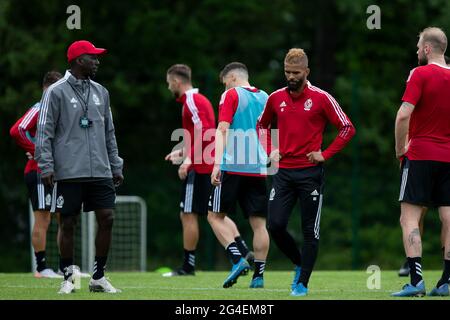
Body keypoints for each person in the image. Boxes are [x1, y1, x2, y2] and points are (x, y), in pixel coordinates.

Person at [257, 48, 355, 296]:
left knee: (310, 230)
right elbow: (262, 125)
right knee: (275, 225)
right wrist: (270, 149)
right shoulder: (276, 98)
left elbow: (346, 128)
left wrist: (325, 154)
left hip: (310, 173)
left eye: (296, 72)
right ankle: (300, 263)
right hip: (283, 173)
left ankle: (302, 282)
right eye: (287, 72)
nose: (291, 76)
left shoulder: (321, 98)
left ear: (306, 72)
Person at [35, 40, 124, 294]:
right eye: (92, 57)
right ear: (77, 61)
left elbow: (109, 132)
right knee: (68, 223)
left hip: (100, 169)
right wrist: (46, 165)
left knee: (107, 217)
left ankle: (98, 277)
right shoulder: (55, 91)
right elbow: (44, 132)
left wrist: (115, 164)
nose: (97, 61)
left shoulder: (101, 91)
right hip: (68, 170)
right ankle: (68, 277)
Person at [164, 64, 253, 277]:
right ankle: (243, 252)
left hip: (201, 166)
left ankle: (188, 266)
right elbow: (199, 134)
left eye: (169, 83)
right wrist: (182, 151)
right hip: (206, 162)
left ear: (176, 81)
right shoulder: (197, 100)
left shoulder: (192, 101)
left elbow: (204, 131)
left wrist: (188, 160)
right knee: (215, 213)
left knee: (188, 214)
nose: (169, 87)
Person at [392, 27, 450, 297]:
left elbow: (404, 115)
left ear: (427, 49)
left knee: (410, 218)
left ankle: (416, 281)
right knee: (449, 218)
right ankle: (447, 281)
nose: (416, 51)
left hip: (420, 154)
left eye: (418, 46)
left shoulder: (420, 73)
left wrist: (399, 149)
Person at [208, 62, 270, 289]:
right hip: (259, 168)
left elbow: (222, 129)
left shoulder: (231, 95)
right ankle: (259, 277)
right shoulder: (265, 96)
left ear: (232, 78)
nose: (224, 89)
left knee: (214, 216)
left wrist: (216, 164)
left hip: (232, 166)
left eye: (225, 83)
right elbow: (270, 130)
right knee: (259, 225)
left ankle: (237, 259)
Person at [10, 71, 63, 279]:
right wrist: (37, 149)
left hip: (58, 172)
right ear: (48, 89)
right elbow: (17, 130)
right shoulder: (40, 107)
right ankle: (41, 269)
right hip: (39, 171)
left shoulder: (59, 111)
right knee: (43, 219)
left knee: (65, 217)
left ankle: (65, 266)